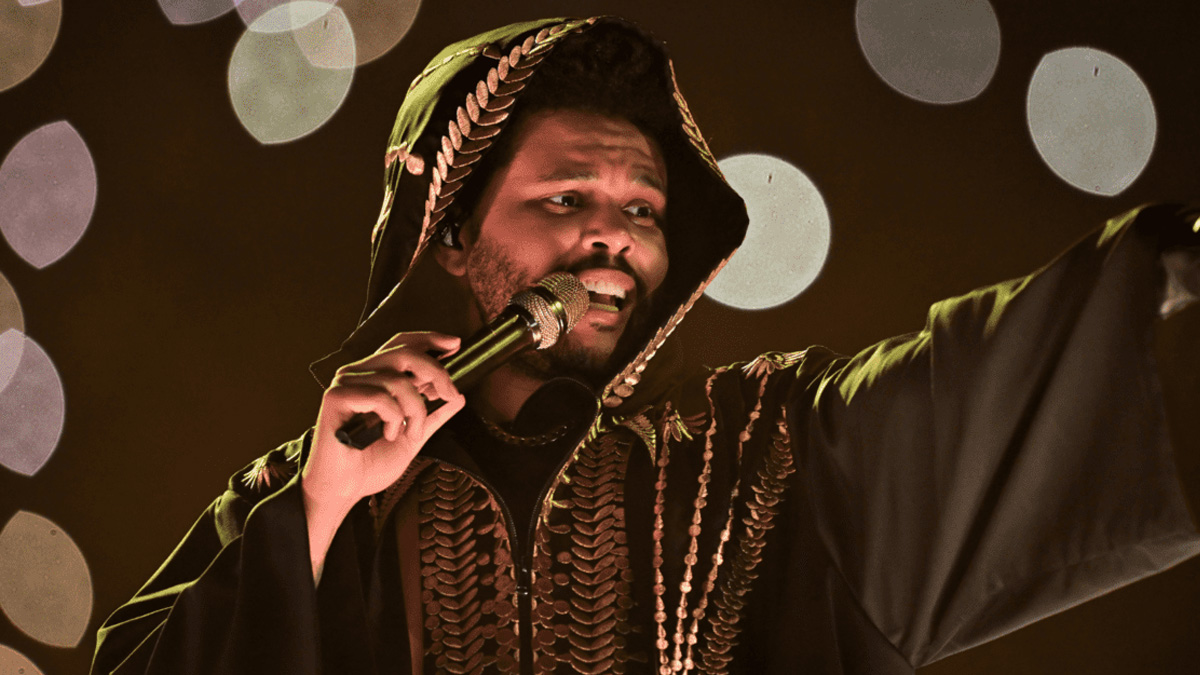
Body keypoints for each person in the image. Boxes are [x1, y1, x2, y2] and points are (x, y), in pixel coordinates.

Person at [91, 16, 1200, 675]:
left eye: (643, 209)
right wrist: (320, 511)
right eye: (566, 197)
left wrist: (1165, 268)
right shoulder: (309, 491)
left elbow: (996, 378)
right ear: (455, 236)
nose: (614, 236)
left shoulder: (766, 452)